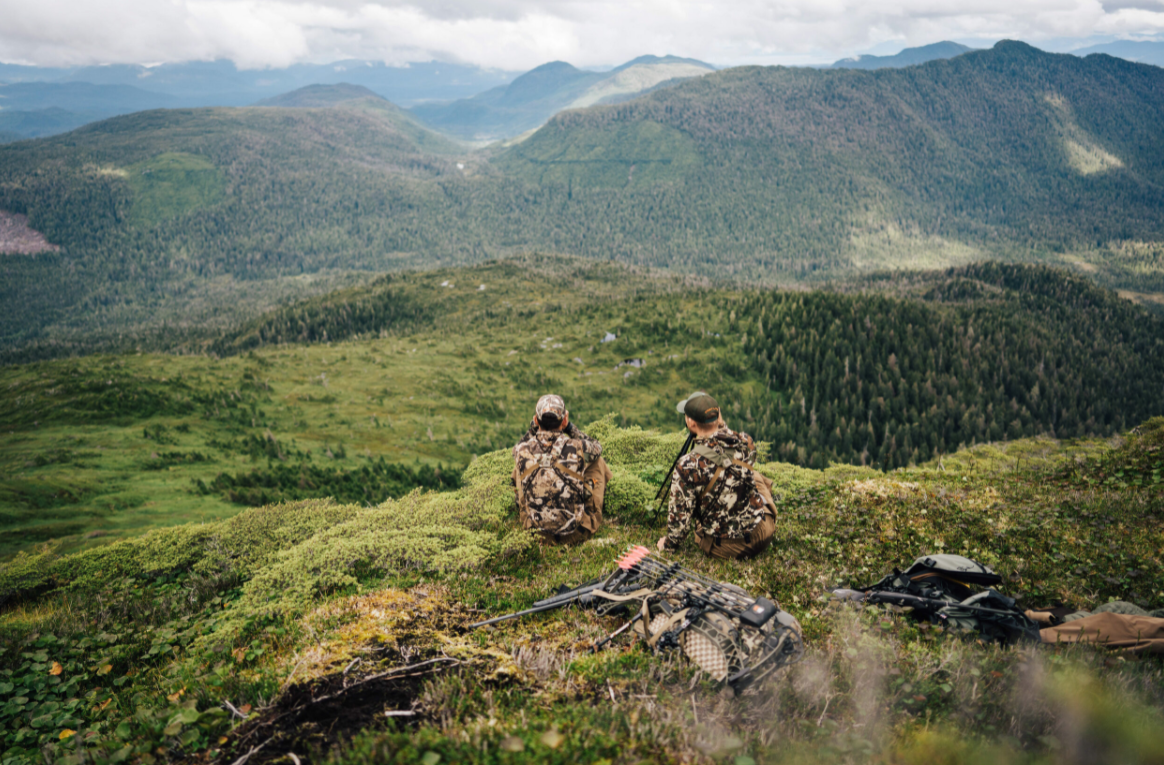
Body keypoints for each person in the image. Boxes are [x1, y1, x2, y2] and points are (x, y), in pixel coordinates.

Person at [656, 392, 777, 559]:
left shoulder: (687, 465)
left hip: (727, 549)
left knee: (698, 516)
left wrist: (667, 546)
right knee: (754, 476)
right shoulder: (745, 441)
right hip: (762, 533)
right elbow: (725, 442)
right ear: (719, 417)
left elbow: (680, 525)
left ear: (691, 422)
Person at [513, 394, 612, 544]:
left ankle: (525, 510)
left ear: (535, 420)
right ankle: (595, 511)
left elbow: (518, 449)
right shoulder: (578, 447)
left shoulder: (521, 449)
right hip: (576, 534)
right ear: (564, 419)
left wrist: (533, 429)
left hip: (535, 533)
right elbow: (597, 447)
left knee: (519, 466)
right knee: (598, 462)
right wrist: (570, 428)